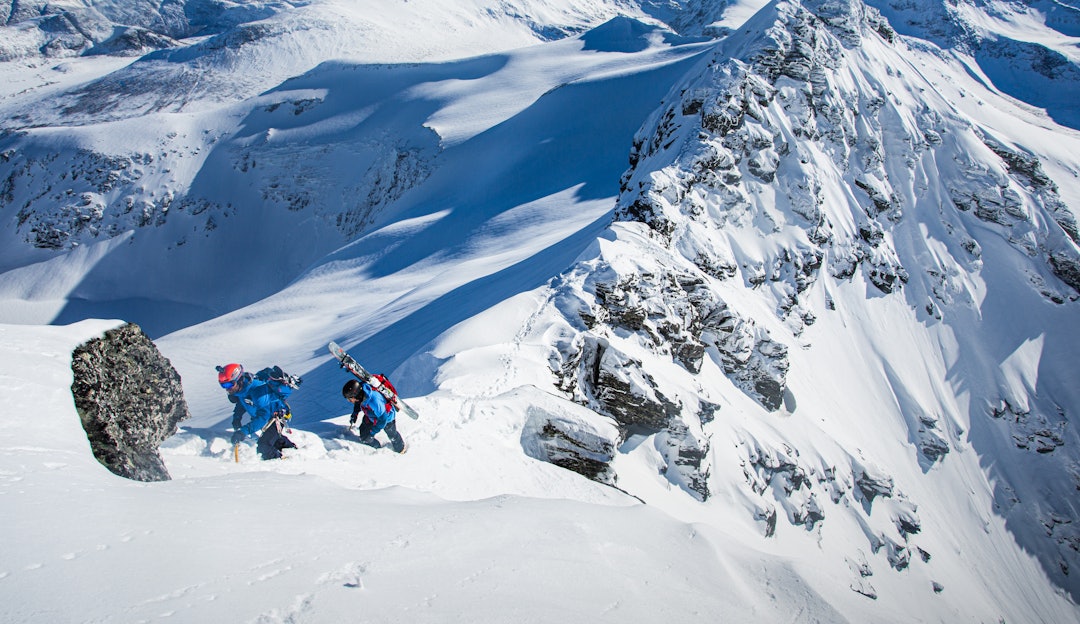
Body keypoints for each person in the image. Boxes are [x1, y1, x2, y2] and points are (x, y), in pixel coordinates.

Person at [217, 363, 296, 460]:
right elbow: (242, 402)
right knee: (272, 439)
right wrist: (237, 418)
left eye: (229, 384)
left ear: (238, 379)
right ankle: (292, 450)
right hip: (265, 417)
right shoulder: (241, 389)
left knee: (264, 447)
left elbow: (263, 417)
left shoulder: (258, 392)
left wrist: (243, 431)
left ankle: (281, 464)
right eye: (223, 385)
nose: (227, 388)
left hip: (274, 418)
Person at [343, 379, 407, 453]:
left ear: (355, 395)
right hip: (371, 415)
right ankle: (377, 450)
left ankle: (401, 450)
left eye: (349, 399)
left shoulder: (374, 400)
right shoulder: (361, 395)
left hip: (387, 418)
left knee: (392, 435)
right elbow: (358, 403)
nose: (349, 401)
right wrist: (355, 414)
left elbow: (383, 419)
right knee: (365, 437)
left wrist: (372, 432)